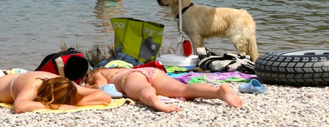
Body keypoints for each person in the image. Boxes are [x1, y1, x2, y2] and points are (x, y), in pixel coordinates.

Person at [85, 66, 242, 113]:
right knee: (182, 88)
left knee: (143, 89)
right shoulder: (119, 67)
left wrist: (89, 85)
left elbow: (104, 87)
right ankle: (218, 92)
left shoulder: (98, 73)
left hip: (130, 78)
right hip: (151, 71)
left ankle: (155, 101)